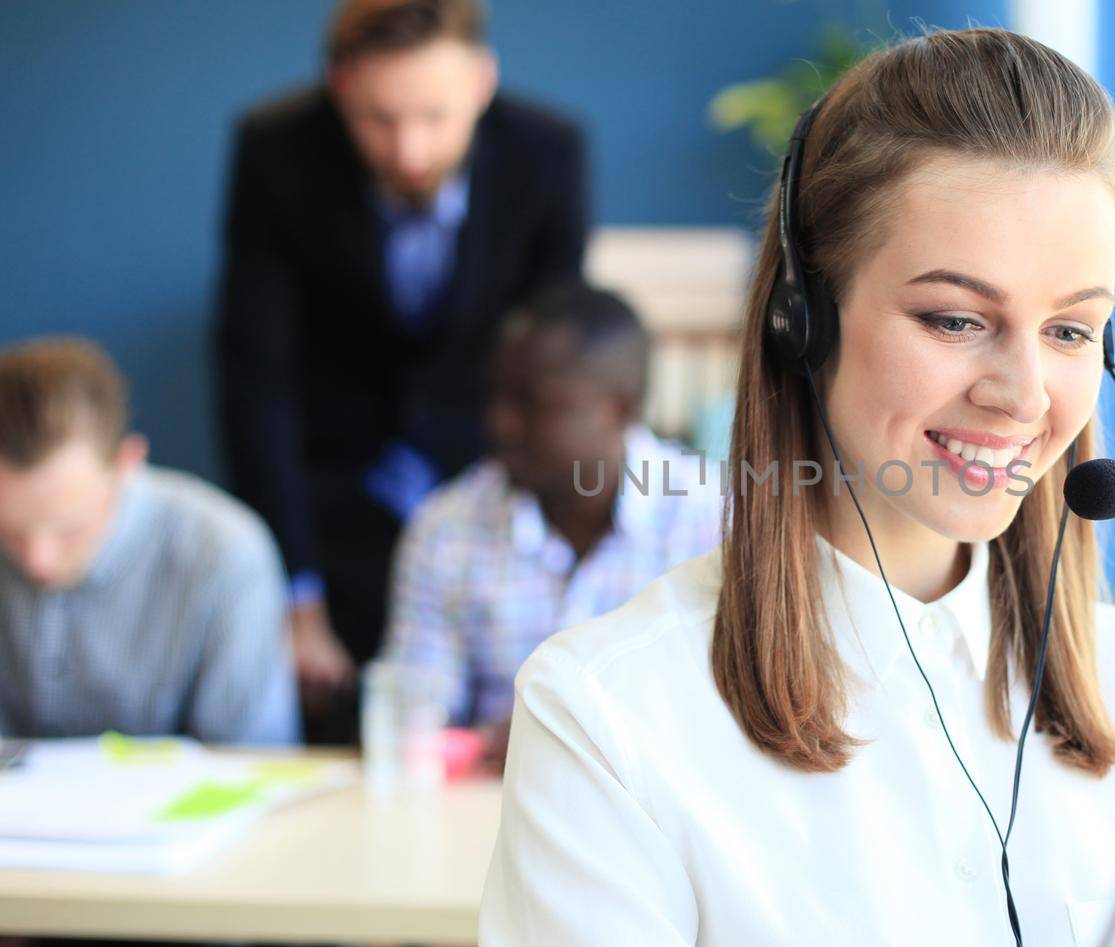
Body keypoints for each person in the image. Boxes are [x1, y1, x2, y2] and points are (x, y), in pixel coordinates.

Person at [480, 28, 1115, 946]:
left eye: (1070, 331)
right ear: (804, 321)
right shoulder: (607, 716)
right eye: (955, 319)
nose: (1024, 394)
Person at [215, 0, 587, 742]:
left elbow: (554, 360)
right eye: (381, 119)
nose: (410, 150)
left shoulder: (549, 153)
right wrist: (296, 598)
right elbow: (256, 381)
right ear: (341, 86)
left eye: (434, 116)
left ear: (481, 82)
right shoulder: (275, 151)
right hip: (327, 502)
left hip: (484, 492)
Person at [384, 283, 722, 772]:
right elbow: (411, 724)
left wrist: (573, 737)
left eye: (531, 403)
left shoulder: (716, 522)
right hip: (486, 820)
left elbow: (737, 729)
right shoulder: (445, 529)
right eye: (496, 395)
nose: (500, 423)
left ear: (618, 410)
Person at [0, 338, 297, 745]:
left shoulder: (224, 554)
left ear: (126, 465)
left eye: (70, 532)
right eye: (11, 533)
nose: (39, 562)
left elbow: (253, 765)